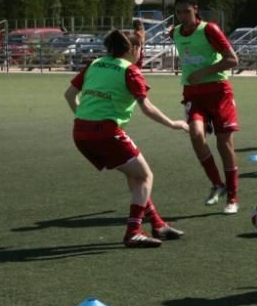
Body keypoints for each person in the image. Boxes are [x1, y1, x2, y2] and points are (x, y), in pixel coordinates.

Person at [65, 30, 188, 247]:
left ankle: (158, 224)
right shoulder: (130, 71)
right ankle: (133, 232)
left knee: (135, 175)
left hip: (80, 133)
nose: (141, 52)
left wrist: (85, 117)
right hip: (106, 132)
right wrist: (173, 123)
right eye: (140, 47)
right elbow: (146, 107)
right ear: (133, 49)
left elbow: (69, 95)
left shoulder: (95, 64)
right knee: (145, 176)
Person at [172, 0, 242, 214]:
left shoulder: (210, 29)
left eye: (186, 11)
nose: (183, 16)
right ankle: (217, 184)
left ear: (196, 10)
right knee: (196, 135)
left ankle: (232, 197)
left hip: (218, 92)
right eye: (178, 12)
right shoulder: (175, 33)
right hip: (193, 93)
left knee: (224, 144)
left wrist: (203, 72)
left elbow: (233, 59)